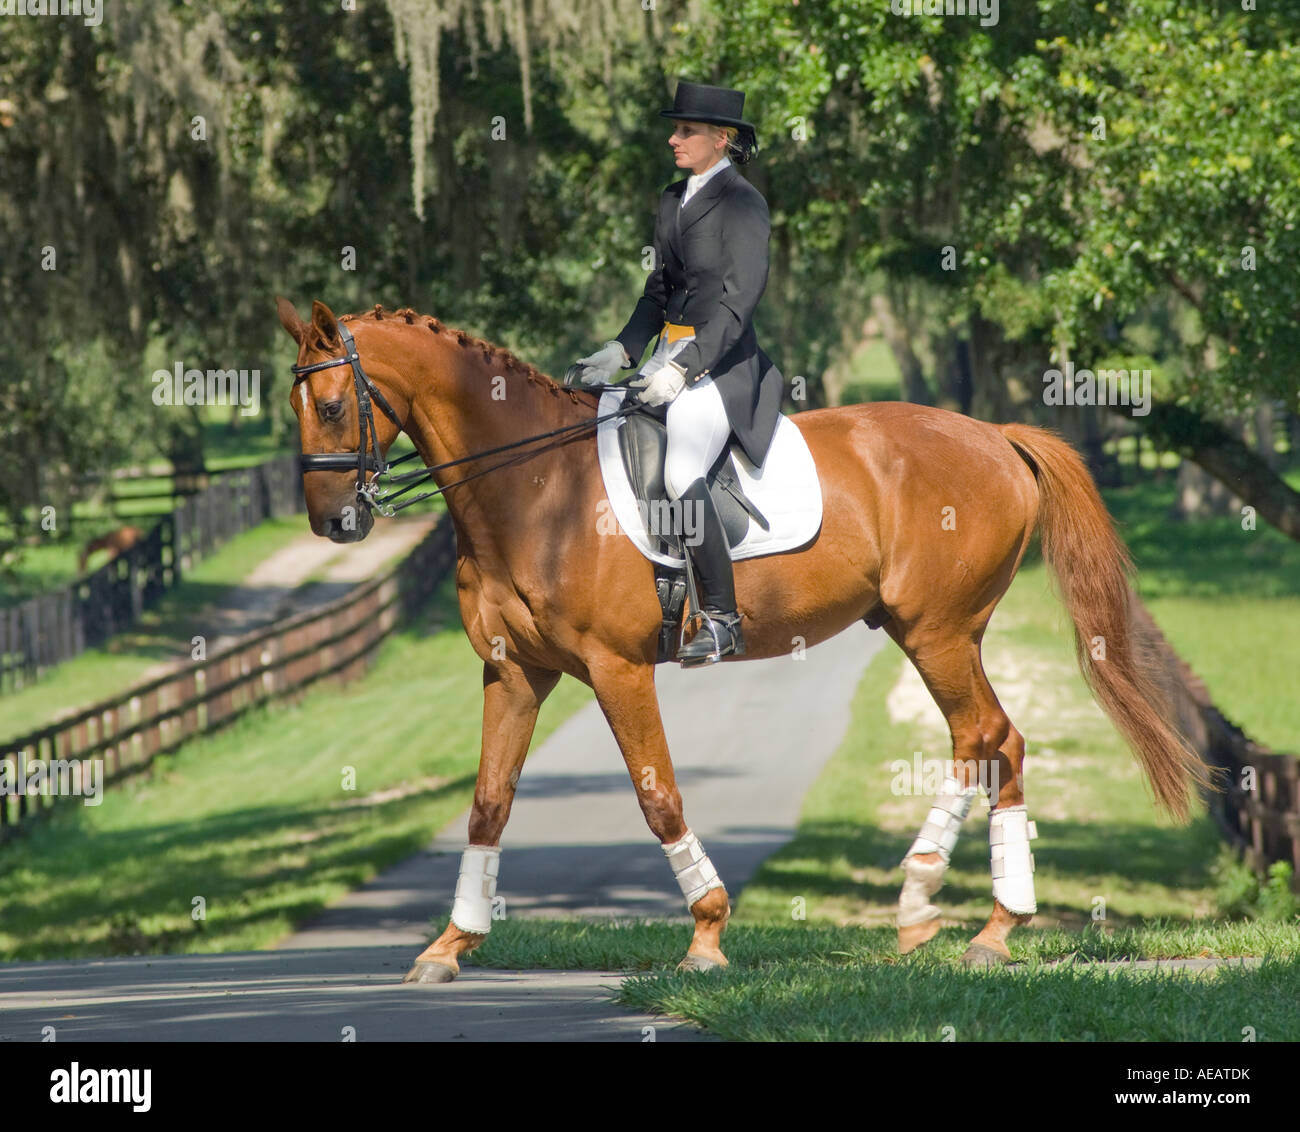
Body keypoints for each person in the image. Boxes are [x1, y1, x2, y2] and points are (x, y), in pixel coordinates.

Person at [575, 79, 784, 665]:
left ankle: (721, 618)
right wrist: (621, 351)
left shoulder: (744, 205)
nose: (674, 139)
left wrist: (684, 369)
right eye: (675, 129)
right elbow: (658, 291)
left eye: (686, 130)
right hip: (664, 360)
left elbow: (737, 305)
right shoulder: (671, 199)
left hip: (726, 369)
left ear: (722, 139)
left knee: (681, 467)